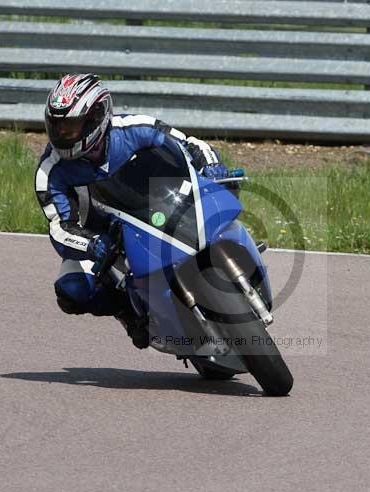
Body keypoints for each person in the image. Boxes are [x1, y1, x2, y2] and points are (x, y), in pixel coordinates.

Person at [34, 73, 228, 347]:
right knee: (71, 291)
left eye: (71, 127)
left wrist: (210, 165)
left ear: (96, 118)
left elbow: (190, 144)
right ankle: (126, 310)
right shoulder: (49, 171)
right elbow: (58, 226)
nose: (62, 135)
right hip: (102, 238)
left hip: (160, 206)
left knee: (219, 207)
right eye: (57, 127)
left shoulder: (135, 128)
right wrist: (89, 244)